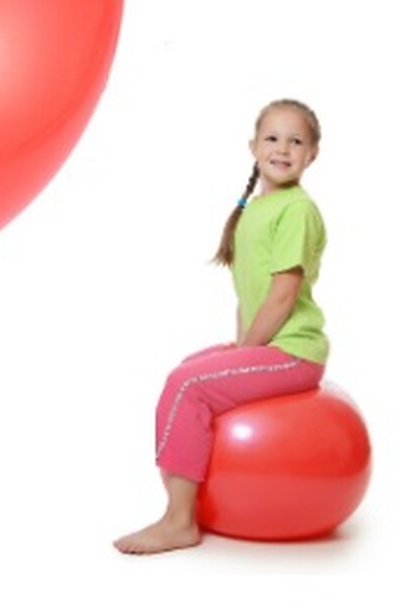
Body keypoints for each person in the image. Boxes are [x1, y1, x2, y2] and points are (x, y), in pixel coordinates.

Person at [114, 99, 329, 555]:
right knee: (187, 368)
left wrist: (246, 349)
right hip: (269, 345)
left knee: (187, 385)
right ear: (253, 147)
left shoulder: (297, 210)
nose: (282, 149)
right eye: (272, 138)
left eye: (296, 141)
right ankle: (184, 501)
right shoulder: (256, 208)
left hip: (293, 353)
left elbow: (282, 295)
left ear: (312, 154)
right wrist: (239, 344)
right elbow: (248, 294)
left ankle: (179, 521)